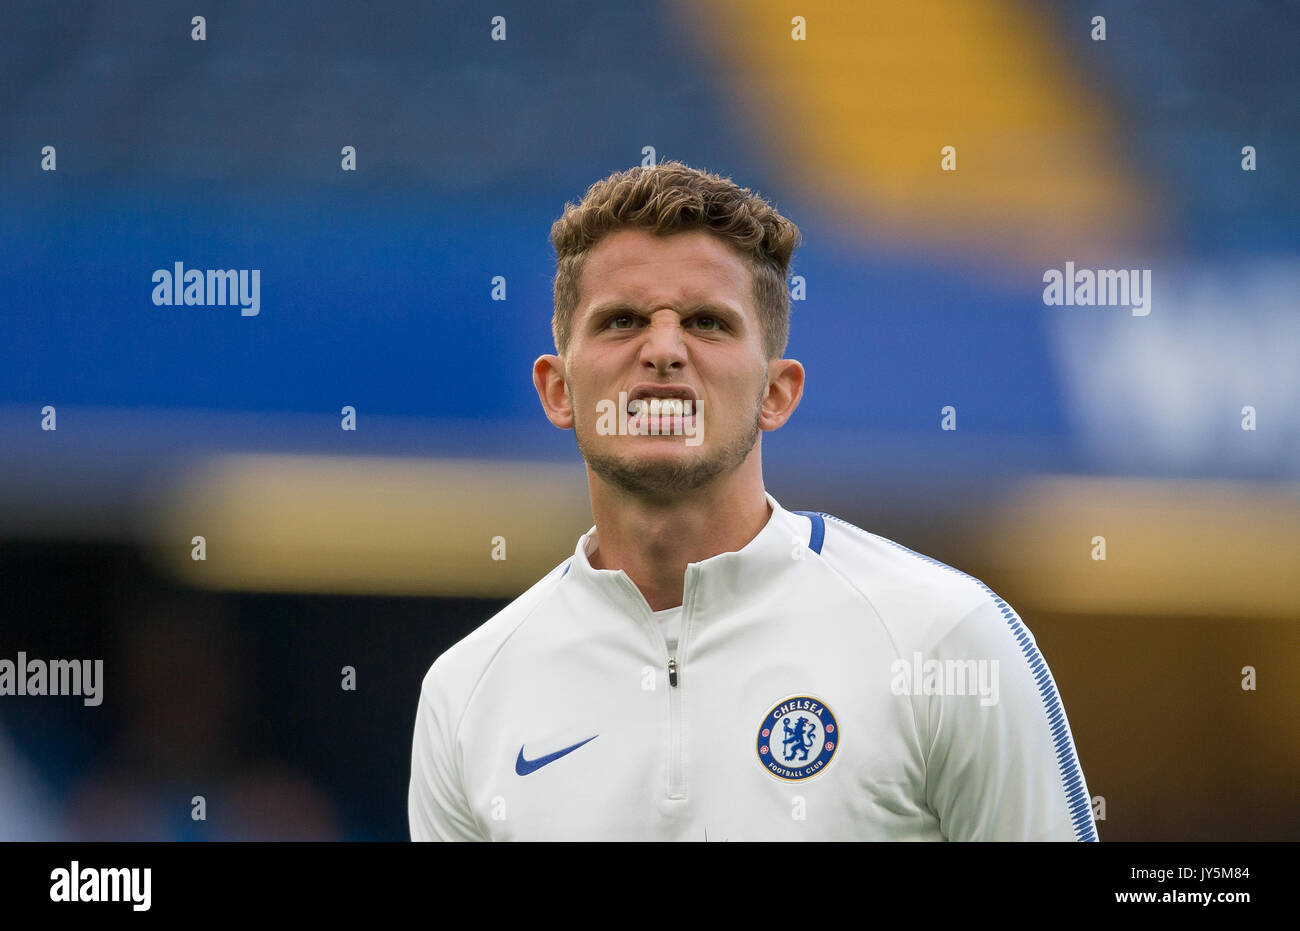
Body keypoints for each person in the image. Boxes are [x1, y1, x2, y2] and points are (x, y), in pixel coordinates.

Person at [408, 160, 1098, 841]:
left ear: (777, 392)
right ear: (557, 388)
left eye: (708, 322)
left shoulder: (945, 635)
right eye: (621, 321)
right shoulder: (467, 692)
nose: (664, 350)